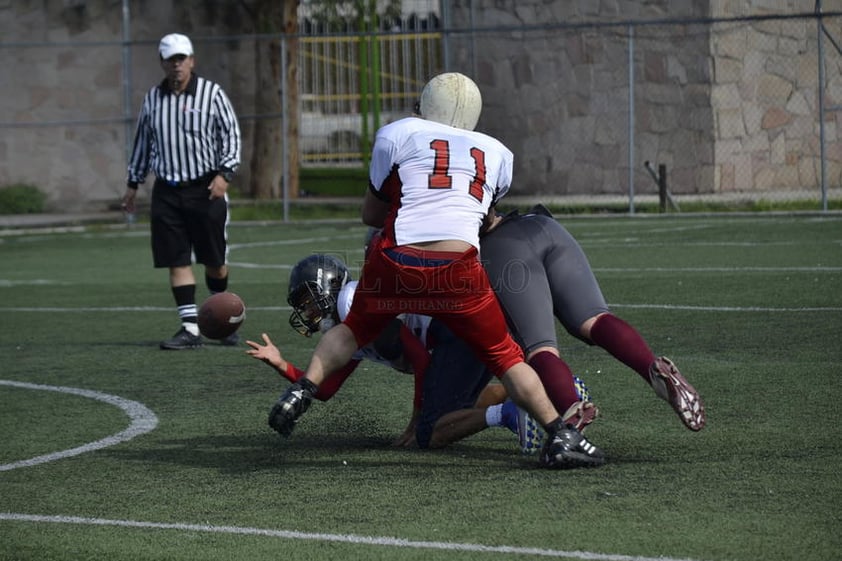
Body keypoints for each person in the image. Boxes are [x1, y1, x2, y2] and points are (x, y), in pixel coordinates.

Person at [264, 72, 605, 469]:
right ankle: (560, 434)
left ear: (425, 106)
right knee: (507, 357)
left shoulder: (399, 132)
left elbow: (370, 215)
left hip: (397, 258)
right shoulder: (497, 152)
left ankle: (304, 388)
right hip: (458, 266)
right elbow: (481, 216)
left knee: (352, 327)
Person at [246, 253, 555, 453]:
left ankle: (511, 413)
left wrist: (415, 421)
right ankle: (545, 392)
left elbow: (419, 358)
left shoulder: (352, 303)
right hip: (456, 336)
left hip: (456, 333)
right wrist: (280, 363)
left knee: (429, 433)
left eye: (309, 300)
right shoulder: (345, 328)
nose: (307, 311)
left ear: (328, 286)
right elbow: (324, 388)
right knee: (457, 404)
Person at [475, 204, 706, 432]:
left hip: (502, 244)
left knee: (540, 349)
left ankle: (570, 408)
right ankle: (650, 368)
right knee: (594, 319)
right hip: (542, 225)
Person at [121, 33, 242, 350]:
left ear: (192, 61)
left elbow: (230, 135)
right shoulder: (152, 99)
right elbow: (143, 144)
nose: (177, 65)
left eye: (181, 59)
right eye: (171, 59)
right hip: (167, 192)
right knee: (177, 260)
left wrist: (224, 174)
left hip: (206, 190)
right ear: (162, 62)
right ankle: (190, 327)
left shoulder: (211, 94)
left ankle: (221, 319)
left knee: (215, 261)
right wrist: (133, 184)